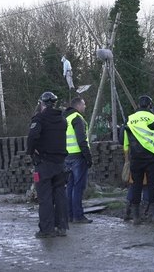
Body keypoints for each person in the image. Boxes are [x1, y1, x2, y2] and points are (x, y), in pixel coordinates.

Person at [123, 96, 154, 224]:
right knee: (152, 186)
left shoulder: (130, 119)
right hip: (151, 157)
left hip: (135, 159)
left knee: (136, 186)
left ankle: (136, 217)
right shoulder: (152, 118)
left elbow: (124, 138)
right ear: (150, 106)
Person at [27, 91, 69, 238]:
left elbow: (32, 137)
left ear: (42, 104)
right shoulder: (62, 120)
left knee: (45, 197)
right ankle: (62, 226)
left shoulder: (39, 119)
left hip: (43, 163)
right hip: (60, 163)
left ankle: (47, 229)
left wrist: (31, 152)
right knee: (60, 196)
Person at [63, 96, 92, 224]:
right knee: (78, 187)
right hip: (78, 156)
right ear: (78, 106)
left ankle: (69, 215)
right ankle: (78, 216)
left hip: (67, 156)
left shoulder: (65, 118)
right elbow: (81, 139)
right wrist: (88, 156)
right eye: (84, 104)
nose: (85, 107)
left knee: (69, 187)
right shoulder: (77, 118)